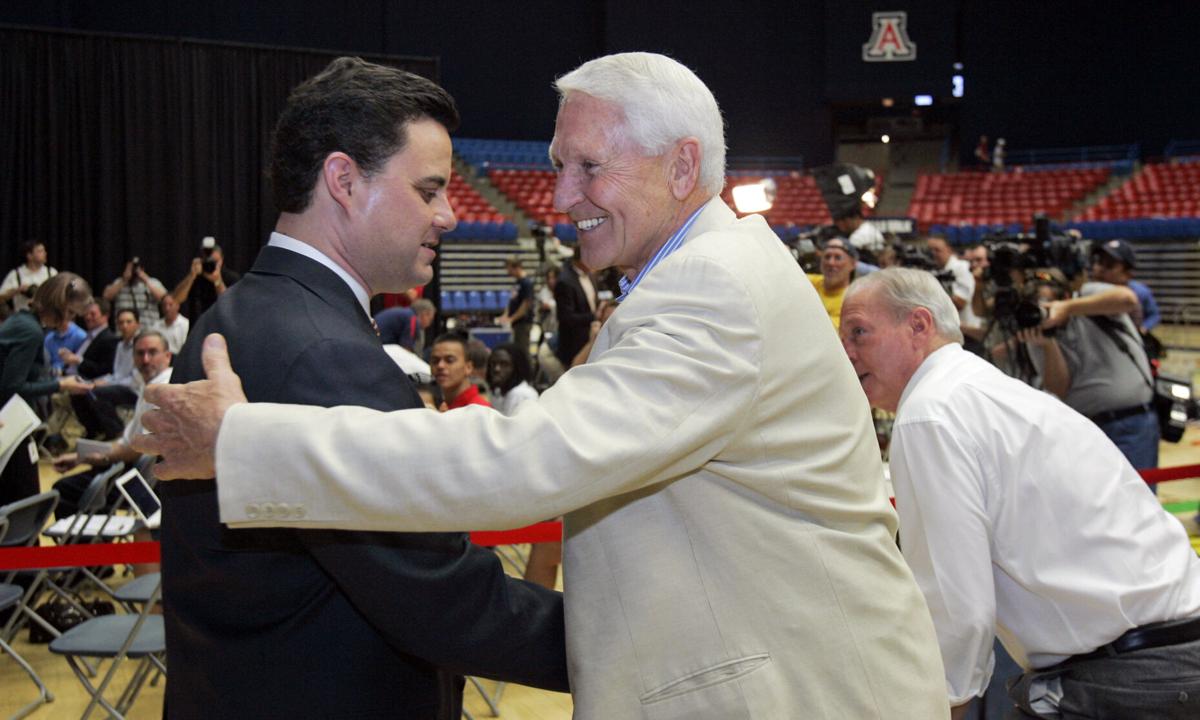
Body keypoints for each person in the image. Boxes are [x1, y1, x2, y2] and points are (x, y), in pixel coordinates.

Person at [137, 52, 948, 720]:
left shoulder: (715, 287)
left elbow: (526, 460)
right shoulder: (699, 278)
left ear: (683, 166)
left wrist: (243, 441)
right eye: (560, 169)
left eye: (589, 168)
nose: (560, 199)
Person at [150, 56, 567, 718]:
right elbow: (444, 600)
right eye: (428, 191)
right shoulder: (326, 352)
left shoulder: (237, 315)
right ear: (343, 180)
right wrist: (625, 641)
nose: (450, 215)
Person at [839, 267, 1200, 719]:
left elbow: (957, 608)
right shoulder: (983, 389)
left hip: (1132, 675)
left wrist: (944, 706)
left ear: (918, 325)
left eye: (859, 333)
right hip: (1166, 653)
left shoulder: (930, 412)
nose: (847, 354)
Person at [1020, 271, 1158, 470]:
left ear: (1065, 296)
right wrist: (1049, 345)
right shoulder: (1036, 331)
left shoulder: (1089, 294)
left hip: (1130, 422)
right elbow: (1057, 389)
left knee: (1137, 498)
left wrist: (1068, 309)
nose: (1043, 310)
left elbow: (1128, 299)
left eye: (1047, 303)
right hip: (1081, 429)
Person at [51, 330, 173, 518]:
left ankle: (88, 546)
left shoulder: (162, 388)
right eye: (140, 353)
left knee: (63, 490)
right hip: (138, 474)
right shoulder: (150, 386)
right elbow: (125, 442)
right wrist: (80, 456)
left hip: (147, 484)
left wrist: (94, 458)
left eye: (152, 352)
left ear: (167, 356)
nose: (146, 359)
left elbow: (138, 449)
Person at [0, 273, 92, 506]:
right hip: (10, 425)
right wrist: (62, 384)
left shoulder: (22, 322)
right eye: (70, 313)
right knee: (23, 503)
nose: (69, 321)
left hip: (13, 423)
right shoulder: (30, 331)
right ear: (57, 306)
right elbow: (12, 387)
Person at [1090, 238, 1161, 333]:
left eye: (1109, 264)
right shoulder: (1088, 292)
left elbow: (1154, 315)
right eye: (1099, 261)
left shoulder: (1139, 293)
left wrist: (1144, 328)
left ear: (1127, 273)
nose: (1100, 269)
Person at [171, 240, 240, 321]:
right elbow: (176, 299)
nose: (211, 264)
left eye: (215, 261)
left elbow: (230, 304)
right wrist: (191, 276)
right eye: (208, 261)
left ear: (222, 260)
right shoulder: (196, 276)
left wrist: (217, 281)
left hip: (221, 327)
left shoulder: (231, 277)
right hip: (198, 327)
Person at [552, 254, 597, 368]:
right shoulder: (564, 281)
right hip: (574, 342)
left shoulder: (591, 276)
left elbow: (592, 302)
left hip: (591, 337)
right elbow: (566, 317)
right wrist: (594, 316)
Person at [430, 331, 490, 409]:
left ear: (468, 367)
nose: (440, 366)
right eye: (435, 361)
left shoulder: (480, 411)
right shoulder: (442, 407)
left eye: (449, 360)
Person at [806, 237, 857, 328]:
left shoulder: (853, 299)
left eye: (838, 258)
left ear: (853, 264)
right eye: (827, 257)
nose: (831, 263)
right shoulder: (809, 283)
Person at [103, 258, 168, 326]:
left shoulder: (153, 282)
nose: (134, 271)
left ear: (143, 269)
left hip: (149, 330)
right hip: (124, 329)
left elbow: (165, 299)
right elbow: (106, 296)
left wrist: (146, 280)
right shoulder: (119, 282)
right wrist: (124, 280)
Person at [0, 240, 57, 313]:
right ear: (29, 256)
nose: (45, 253)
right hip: (22, 317)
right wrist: (16, 290)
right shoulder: (16, 274)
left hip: (47, 318)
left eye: (44, 251)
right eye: (40, 251)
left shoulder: (51, 273)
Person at [497, 255, 533, 360]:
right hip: (516, 323)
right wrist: (505, 315)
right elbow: (511, 301)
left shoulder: (526, 283)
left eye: (508, 268)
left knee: (523, 352)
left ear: (516, 267)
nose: (507, 271)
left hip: (523, 323)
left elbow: (526, 305)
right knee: (516, 351)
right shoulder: (517, 283)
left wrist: (511, 318)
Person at [486, 342, 536, 416]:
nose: (497, 369)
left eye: (504, 364)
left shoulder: (523, 394)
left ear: (517, 368)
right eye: (493, 363)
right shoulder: (498, 392)